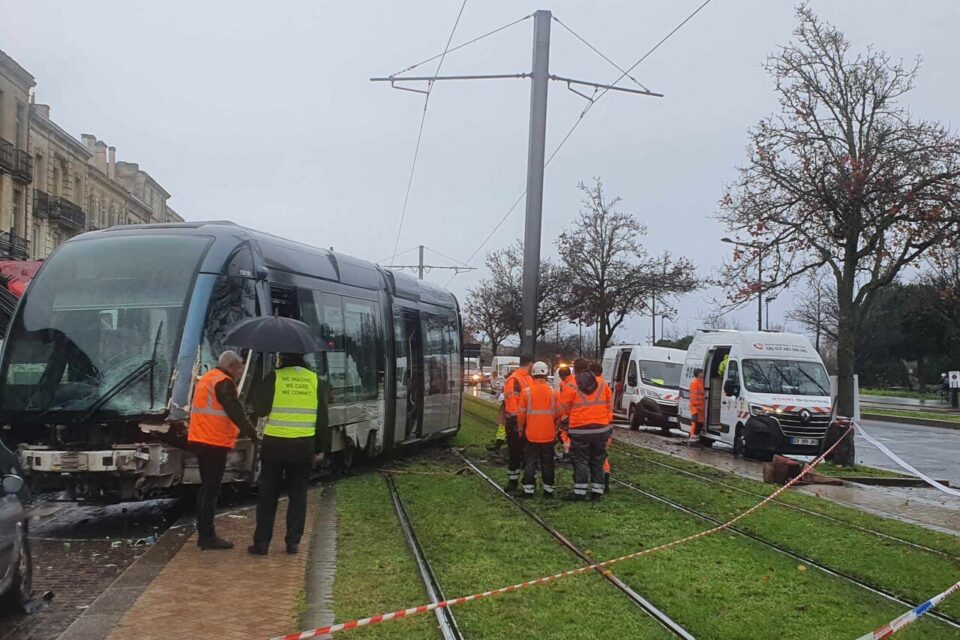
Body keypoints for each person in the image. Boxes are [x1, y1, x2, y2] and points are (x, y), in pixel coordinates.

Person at [249, 353, 329, 555]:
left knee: (268, 496)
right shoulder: (314, 380)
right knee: (298, 495)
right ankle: (293, 541)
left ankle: (262, 543)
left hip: (275, 446)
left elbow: (260, 409)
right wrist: (320, 448)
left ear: (282, 358)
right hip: (303, 447)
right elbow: (322, 418)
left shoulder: (274, 377)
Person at [188, 350, 259, 550]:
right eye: (239, 369)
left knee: (205, 490)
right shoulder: (224, 383)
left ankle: (204, 534)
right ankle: (207, 537)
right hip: (214, 442)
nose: (240, 373)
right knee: (211, 490)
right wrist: (253, 435)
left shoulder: (207, 379)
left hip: (200, 439)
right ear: (232, 366)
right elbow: (235, 412)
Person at [559, 361, 613, 501]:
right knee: (597, 460)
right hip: (601, 429)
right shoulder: (602, 385)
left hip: (580, 430)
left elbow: (563, 409)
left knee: (581, 461)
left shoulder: (571, 385)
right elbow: (609, 407)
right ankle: (597, 491)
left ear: (574, 371)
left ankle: (580, 492)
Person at [517, 362, 559, 498]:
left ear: (533, 374)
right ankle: (549, 490)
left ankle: (528, 490)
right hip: (549, 434)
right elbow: (558, 414)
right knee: (548, 462)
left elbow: (521, 414)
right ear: (546, 374)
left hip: (531, 434)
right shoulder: (553, 393)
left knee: (531, 461)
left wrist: (520, 428)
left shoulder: (526, 392)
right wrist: (555, 428)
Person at [501, 354, 534, 494]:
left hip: (526, 423)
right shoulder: (515, 379)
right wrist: (517, 424)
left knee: (526, 454)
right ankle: (513, 482)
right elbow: (512, 404)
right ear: (530, 364)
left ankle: (526, 482)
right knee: (515, 453)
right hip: (516, 424)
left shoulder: (526, 378)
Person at [589, 361, 614, 494]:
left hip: (589, 425)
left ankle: (593, 484)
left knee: (589, 456)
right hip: (605, 426)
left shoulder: (589, 385)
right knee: (602, 456)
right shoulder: (606, 387)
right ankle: (605, 483)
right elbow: (609, 407)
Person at [555, 366, 574, 460]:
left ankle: (568, 453)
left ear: (562, 375)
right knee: (566, 435)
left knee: (563, 434)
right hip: (572, 413)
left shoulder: (567, 384)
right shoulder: (567, 382)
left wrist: (560, 415)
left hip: (568, 414)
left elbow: (565, 401)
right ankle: (568, 452)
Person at [688, 368, 705, 445]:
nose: (703, 374)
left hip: (700, 408)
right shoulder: (695, 383)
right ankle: (692, 440)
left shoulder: (700, 382)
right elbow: (694, 396)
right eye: (701, 372)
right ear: (698, 374)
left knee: (699, 424)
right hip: (696, 408)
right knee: (695, 423)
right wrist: (697, 405)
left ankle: (696, 439)